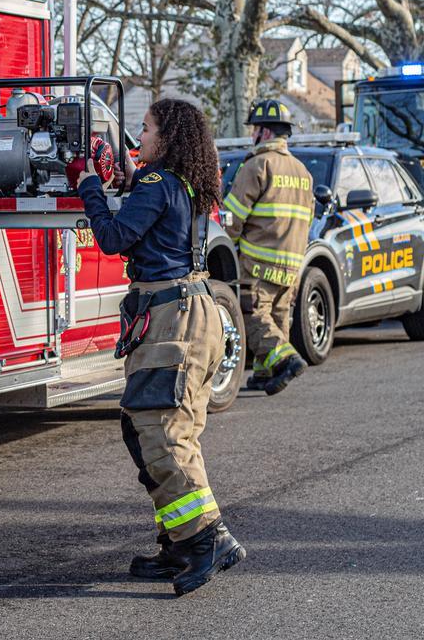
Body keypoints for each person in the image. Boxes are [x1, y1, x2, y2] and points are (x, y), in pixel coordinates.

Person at [68, 99, 245, 597]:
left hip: (173, 320)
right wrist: (125, 176)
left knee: (163, 434)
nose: (137, 137)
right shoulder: (181, 182)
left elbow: (113, 237)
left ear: (166, 137)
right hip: (194, 313)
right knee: (151, 429)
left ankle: (208, 540)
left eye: (144, 129)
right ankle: (179, 544)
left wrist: (88, 187)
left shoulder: (155, 183)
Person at [222, 99, 312, 395]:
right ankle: (265, 372)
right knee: (277, 314)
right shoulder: (302, 171)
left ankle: (287, 359)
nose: (251, 136)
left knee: (253, 314)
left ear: (263, 132)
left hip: (258, 261)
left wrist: (226, 246)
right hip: (293, 262)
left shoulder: (257, 165)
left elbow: (233, 216)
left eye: (254, 130)